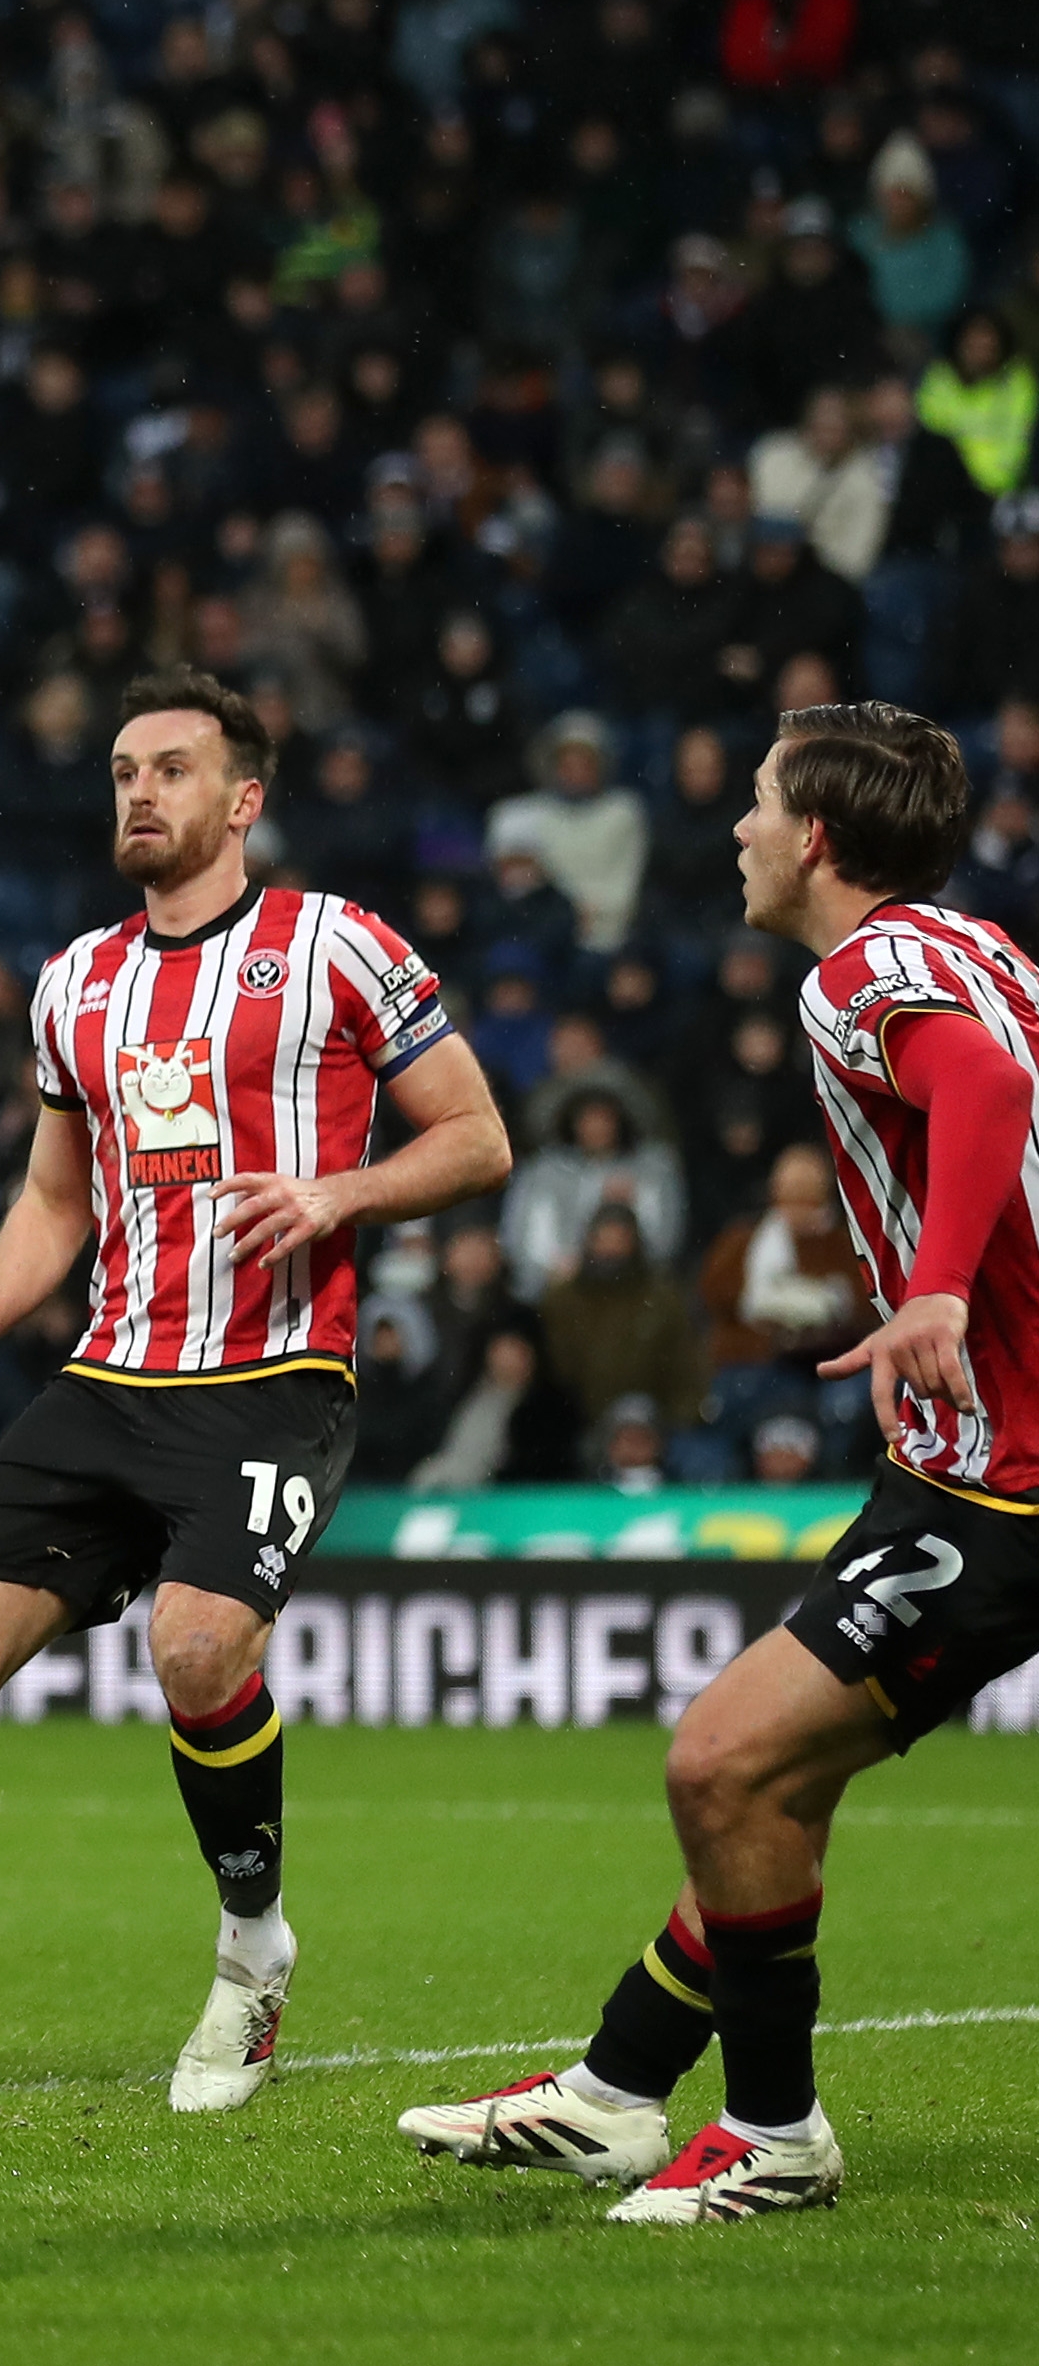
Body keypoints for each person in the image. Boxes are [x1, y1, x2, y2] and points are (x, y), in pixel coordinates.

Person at [0, 667, 510, 2121]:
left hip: (275, 1375)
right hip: (107, 1377)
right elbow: (52, 1196)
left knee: (198, 1650)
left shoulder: (338, 945)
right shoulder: (76, 980)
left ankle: (252, 1952)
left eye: (169, 769)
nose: (138, 793)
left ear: (243, 799)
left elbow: (477, 1138)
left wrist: (339, 1190)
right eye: (120, 772)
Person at [399, 703, 1039, 2223]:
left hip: (1008, 1476)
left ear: (815, 834)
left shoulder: (860, 973)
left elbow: (991, 1098)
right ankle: (622, 2086)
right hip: (959, 1459)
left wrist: (941, 1280)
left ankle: (772, 2136)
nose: (738, 828)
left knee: (722, 1758)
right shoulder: (982, 947)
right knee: (771, 1784)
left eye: (756, 801)